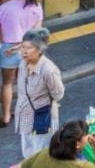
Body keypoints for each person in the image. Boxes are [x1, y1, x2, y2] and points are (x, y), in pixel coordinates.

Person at [15, 28, 64, 158]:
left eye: (29, 48)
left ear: (40, 50)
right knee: (28, 154)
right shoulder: (22, 64)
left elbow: (58, 94)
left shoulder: (48, 71)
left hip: (42, 119)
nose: (24, 51)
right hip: (24, 117)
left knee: (42, 156)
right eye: (23, 46)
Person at [0, 0, 42, 126]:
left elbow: (1, 33)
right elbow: (36, 34)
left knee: (7, 84)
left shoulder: (3, 8)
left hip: (8, 50)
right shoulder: (36, 7)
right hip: (29, 50)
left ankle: (5, 116)